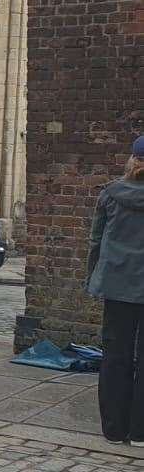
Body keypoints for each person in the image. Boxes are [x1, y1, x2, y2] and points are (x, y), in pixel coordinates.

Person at [86, 135, 144, 447]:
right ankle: (140, 431)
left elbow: (95, 241)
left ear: (132, 160)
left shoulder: (110, 194)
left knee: (115, 356)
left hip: (117, 285)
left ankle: (114, 428)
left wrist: (93, 278)